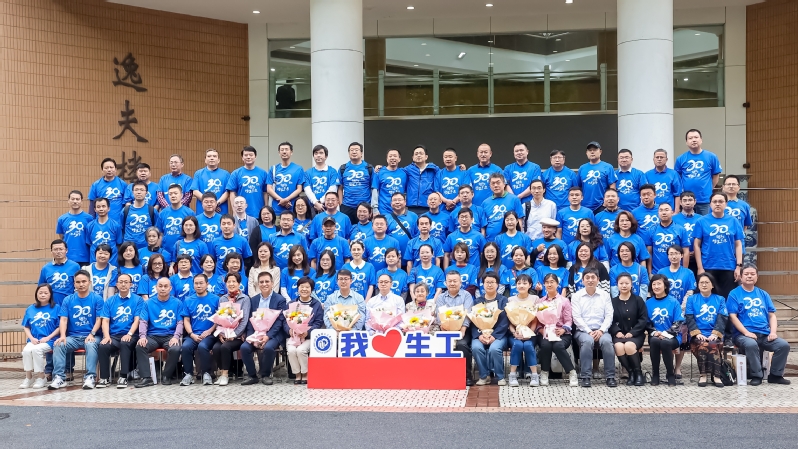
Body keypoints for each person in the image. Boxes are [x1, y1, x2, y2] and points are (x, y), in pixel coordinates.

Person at [727, 264, 791, 385]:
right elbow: (732, 316)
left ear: (757, 276)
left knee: (783, 345)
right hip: (742, 335)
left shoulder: (763, 294)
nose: (749, 276)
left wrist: (773, 332)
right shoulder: (734, 294)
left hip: (764, 334)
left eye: (752, 274)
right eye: (746, 274)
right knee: (751, 344)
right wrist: (746, 332)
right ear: (741, 276)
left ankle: (775, 375)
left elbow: (772, 315)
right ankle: (757, 375)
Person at [48, 270, 103, 390]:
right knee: (59, 344)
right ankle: (59, 377)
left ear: (89, 282)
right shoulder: (68, 300)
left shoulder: (97, 299)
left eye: (84, 281)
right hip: (73, 337)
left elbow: (99, 319)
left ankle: (90, 377)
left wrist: (92, 333)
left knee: (90, 344)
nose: (81, 284)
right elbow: (63, 320)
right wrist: (62, 336)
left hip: (93, 335)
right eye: (78, 282)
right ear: (74, 284)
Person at [133, 277, 184, 388]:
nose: (163, 288)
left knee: (175, 349)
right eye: (160, 286)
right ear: (156, 288)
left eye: (165, 286)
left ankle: (166, 376)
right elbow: (143, 322)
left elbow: (180, 323)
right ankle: (146, 378)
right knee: (140, 346)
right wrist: (142, 336)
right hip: (153, 336)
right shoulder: (148, 303)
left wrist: (176, 337)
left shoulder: (177, 303)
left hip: (170, 336)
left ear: (170, 288)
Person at [571, 267, 616, 387]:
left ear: (598, 279)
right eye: (587, 278)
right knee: (587, 341)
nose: (590, 280)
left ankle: (610, 376)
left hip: (602, 330)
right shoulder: (576, 296)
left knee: (607, 342)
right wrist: (589, 331)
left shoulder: (605, 295)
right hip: (583, 331)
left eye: (593, 277)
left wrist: (601, 330)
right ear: (582, 280)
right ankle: (585, 376)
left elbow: (609, 315)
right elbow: (576, 317)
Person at [240, 271, 287, 385]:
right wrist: (251, 337)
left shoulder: (280, 299)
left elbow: (280, 321)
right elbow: (250, 320)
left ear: (272, 283)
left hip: (273, 334)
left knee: (268, 348)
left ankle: (265, 375)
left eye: (267, 281)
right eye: (261, 282)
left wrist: (268, 336)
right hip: (256, 333)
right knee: (244, 347)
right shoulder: (253, 300)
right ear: (258, 284)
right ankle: (252, 376)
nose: (264, 284)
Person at [693, 192, 744, 298]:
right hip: (708, 266)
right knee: (708, 297)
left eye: (721, 201)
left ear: (726, 204)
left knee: (728, 298)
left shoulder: (733, 221)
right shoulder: (701, 221)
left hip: (728, 266)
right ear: (710, 204)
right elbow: (696, 245)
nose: (717, 204)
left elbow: (738, 245)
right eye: (714, 201)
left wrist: (738, 266)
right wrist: (700, 267)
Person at [97, 273, 142, 389]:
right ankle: (104, 378)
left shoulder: (138, 300)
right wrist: (106, 336)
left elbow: (137, 320)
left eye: (126, 282)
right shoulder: (110, 301)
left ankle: (123, 376)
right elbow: (105, 321)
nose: (123, 284)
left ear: (131, 285)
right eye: (120, 282)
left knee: (125, 342)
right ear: (116, 284)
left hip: (131, 335)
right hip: (114, 336)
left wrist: (129, 334)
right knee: (103, 346)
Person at [534, 274, 578, 387]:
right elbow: (537, 322)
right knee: (546, 345)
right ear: (544, 284)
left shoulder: (564, 301)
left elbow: (568, 320)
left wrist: (563, 329)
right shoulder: (540, 301)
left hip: (562, 333)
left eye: (552, 282)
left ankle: (571, 372)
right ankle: (544, 372)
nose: (549, 284)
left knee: (558, 345)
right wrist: (542, 331)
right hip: (545, 333)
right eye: (547, 282)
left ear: (557, 284)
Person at [685, 272, 728, 387]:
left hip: (715, 334)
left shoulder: (720, 299)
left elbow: (722, 318)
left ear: (712, 285)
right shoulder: (691, 299)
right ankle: (703, 375)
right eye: (701, 283)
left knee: (712, 344)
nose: (704, 285)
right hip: (698, 335)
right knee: (703, 345)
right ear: (698, 285)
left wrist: (715, 334)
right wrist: (697, 333)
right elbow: (689, 317)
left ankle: (716, 376)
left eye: (707, 282)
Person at [210, 272, 251, 386]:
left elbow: (244, 320)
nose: (231, 284)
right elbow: (220, 318)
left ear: (239, 283)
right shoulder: (222, 299)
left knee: (225, 347)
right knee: (216, 348)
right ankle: (225, 372)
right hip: (225, 333)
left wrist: (234, 334)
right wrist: (221, 333)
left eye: (234, 281)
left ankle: (225, 375)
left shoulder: (245, 299)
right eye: (229, 282)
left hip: (238, 335)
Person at [179, 274, 220, 386]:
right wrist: (191, 334)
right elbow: (186, 320)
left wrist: (210, 331)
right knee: (185, 347)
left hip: (210, 334)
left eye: (201, 283)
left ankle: (206, 373)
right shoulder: (188, 300)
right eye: (196, 283)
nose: (198, 285)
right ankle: (188, 374)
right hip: (193, 334)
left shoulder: (216, 299)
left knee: (202, 346)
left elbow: (218, 319)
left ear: (207, 284)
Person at [437, 271, 475, 386]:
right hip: (446, 330)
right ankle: (444, 375)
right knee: (440, 345)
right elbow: (440, 316)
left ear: (460, 282)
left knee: (461, 345)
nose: (452, 283)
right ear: (446, 283)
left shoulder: (466, 295)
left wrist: (462, 330)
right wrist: (444, 329)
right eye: (450, 281)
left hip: (463, 330)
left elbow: (467, 314)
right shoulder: (441, 297)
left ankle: (467, 376)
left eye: (455, 281)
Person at [471, 272, 509, 386]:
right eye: (487, 282)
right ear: (483, 284)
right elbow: (473, 321)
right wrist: (479, 335)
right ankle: (484, 376)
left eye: (492, 282)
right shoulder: (477, 301)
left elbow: (504, 322)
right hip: (480, 334)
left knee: (494, 349)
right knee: (476, 347)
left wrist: (494, 336)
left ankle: (500, 376)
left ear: (497, 284)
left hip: (499, 335)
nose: (490, 285)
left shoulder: (503, 300)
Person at [610, 273, 648, 386]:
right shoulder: (613, 302)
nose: (624, 285)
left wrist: (632, 332)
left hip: (636, 334)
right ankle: (631, 373)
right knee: (618, 346)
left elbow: (643, 319)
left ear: (631, 284)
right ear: (617, 285)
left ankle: (638, 373)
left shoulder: (638, 300)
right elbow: (609, 320)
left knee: (629, 345)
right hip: (619, 335)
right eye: (621, 283)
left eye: (627, 283)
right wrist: (617, 331)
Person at [645, 274, 684, 386]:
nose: (656, 286)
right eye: (654, 284)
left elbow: (678, 322)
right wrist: (655, 332)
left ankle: (670, 374)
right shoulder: (648, 303)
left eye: (659, 284)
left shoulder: (674, 302)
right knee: (654, 341)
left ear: (665, 286)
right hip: (655, 335)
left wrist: (666, 334)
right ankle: (655, 374)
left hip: (673, 336)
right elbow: (646, 322)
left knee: (665, 343)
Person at [20, 284, 60, 389]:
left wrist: (48, 337)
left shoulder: (56, 308)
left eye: (46, 293)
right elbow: (26, 326)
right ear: (36, 294)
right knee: (26, 351)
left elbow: (60, 327)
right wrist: (31, 338)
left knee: (36, 350)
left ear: (50, 294)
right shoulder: (30, 308)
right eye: (40, 293)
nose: (43, 295)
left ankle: (41, 377)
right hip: (34, 340)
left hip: (50, 340)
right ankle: (29, 377)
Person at [286, 277, 324, 385]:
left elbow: (318, 322)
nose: (304, 289)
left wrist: (308, 332)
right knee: (291, 351)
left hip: (308, 337)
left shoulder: (316, 304)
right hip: (293, 336)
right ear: (298, 288)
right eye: (301, 287)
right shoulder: (291, 303)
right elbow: (284, 320)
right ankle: (297, 374)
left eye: (307, 287)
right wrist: (289, 330)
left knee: (301, 350)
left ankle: (305, 374)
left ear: (311, 289)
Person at [675, 129, 722, 215]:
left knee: (705, 221)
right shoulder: (680, 158)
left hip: (705, 200)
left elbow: (716, 175)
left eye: (696, 137)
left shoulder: (711, 156)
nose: (693, 140)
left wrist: (709, 188)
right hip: (686, 200)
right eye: (690, 138)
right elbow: (677, 178)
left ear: (701, 140)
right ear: (686, 142)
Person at [507, 274, 540, 387]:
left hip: (531, 333)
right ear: (515, 285)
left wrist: (529, 334)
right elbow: (509, 321)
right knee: (517, 344)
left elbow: (535, 320)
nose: (521, 285)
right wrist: (514, 333)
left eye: (525, 283)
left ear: (530, 285)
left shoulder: (535, 299)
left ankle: (534, 375)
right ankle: (512, 375)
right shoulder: (511, 299)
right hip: (515, 333)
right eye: (519, 283)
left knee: (528, 345)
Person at [226, 146, 268, 218]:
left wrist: (266, 209)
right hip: (241, 214)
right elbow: (232, 193)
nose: (248, 157)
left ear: (255, 157)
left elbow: (265, 193)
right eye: (246, 155)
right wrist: (234, 211)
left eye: (251, 155)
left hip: (259, 213)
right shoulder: (236, 173)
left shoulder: (263, 173)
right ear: (242, 158)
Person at [156, 184, 196, 260]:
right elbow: (160, 234)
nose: (173, 196)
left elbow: (194, 233)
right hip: (166, 252)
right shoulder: (163, 213)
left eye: (175, 193)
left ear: (181, 195)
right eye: (170, 194)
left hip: (184, 252)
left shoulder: (189, 212)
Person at [647, 203, 690, 273]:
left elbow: (686, 252)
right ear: (658, 213)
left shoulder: (680, 229)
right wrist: (649, 272)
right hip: (656, 272)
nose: (664, 213)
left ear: (672, 212)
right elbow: (649, 253)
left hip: (677, 272)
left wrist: (684, 271)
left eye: (666, 210)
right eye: (661, 210)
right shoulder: (651, 230)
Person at [338, 142, 374, 224]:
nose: (354, 152)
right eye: (352, 150)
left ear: (361, 153)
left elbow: (373, 188)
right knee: (347, 229)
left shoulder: (369, 168)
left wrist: (372, 206)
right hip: (347, 206)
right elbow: (340, 188)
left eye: (356, 150)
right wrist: (341, 205)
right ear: (348, 153)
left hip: (365, 206)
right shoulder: (343, 168)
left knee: (365, 228)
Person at [483, 173, 525, 242]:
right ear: (490, 186)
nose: (495, 185)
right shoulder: (485, 203)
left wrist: (518, 238)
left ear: (504, 184)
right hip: (490, 241)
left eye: (498, 183)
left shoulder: (514, 199)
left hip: (510, 240)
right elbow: (483, 226)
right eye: (493, 183)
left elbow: (519, 220)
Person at [266, 141, 305, 214]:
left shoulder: (298, 169)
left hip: (293, 208)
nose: (284, 152)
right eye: (282, 150)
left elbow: (299, 189)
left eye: (286, 149)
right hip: (276, 209)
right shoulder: (273, 169)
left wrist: (286, 200)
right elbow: (269, 189)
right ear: (279, 153)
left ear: (291, 152)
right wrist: (282, 200)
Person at [39, 239, 82, 305]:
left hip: (70, 304)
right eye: (55, 249)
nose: (58, 252)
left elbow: (79, 286)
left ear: (66, 250)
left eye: (61, 249)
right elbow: (41, 288)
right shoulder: (45, 268)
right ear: (51, 251)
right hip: (51, 305)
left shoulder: (75, 266)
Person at [578, 141, 617, 212]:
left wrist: (607, 203)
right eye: (590, 150)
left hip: (601, 205)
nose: (592, 152)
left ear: (600, 152)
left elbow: (612, 187)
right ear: (586, 153)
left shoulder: (608, 167)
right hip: (584, 206)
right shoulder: (582, 168)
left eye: (595, 150)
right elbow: (578, 187)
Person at [56, 190, 92, 265]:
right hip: (67, 258)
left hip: (85, 258)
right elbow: (62, 236)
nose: (75, 201)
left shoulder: (89, 218)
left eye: (77, 199)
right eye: (72, 199)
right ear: (68, 201)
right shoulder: (62, 219)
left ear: (81, 201)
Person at [191, 148, 230, 214]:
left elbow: (228, 192)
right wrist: (209, 203)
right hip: (202, 212)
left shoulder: (226, 174)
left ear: (218, 160)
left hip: (221, 211)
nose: (212, 158)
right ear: (205, 160)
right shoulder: (198, 173)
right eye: (209, 156)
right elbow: (195, 191)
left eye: (214, 156)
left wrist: (216, 203)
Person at [303, 144, 341, 213]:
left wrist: (320, 201)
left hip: (328, 206)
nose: (318, 155)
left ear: (326, 156)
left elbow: (333, 189)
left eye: (321, 153)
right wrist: (316, 203)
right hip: (312, 207)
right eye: (316, 153)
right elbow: (307, 190)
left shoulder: (332, 171)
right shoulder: (308, 173)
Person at [89, 157, 127, 223]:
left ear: (115, 169)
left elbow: (125, 205)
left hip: (118, 222)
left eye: (111, 167)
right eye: (106, 168)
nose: (109, 170)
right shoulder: (96, 185)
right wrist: (92, 221)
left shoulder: (123, 184)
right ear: (102, 170)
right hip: (100, 223)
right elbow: (92, 205)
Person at [672, 191, 702, 275]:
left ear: (695, 201)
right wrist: (684, 253)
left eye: (690, 200)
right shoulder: (673, 219)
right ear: (680, 202)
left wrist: (697, 251)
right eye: (685, 200)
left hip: (698, 257)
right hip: (679, 258)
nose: (687, 202)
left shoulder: (701, 219)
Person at [122, 181, 156, 249]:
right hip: (129, 249)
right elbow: (121, 228)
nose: (139, 192)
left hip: (146, 247)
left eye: (142, 190)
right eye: (136, 190)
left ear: (146, 193)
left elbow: (156, 229)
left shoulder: (152, 210)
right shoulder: (125, 210)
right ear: (132, 192)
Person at [87, 197, 123, 263]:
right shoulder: (89, 226)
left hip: (112, 262)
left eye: (103, 206)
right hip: (94, 262)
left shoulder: (116, 225)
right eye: (98, 207)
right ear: (95, 209)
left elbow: (118, 244)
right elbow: (89, 243)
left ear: (108, 208)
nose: (101, 209)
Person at [372, 149, 407, 215]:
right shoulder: (379, 172)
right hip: (383, 210)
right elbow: (375, 191)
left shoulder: (404, 173)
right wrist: (375, 209)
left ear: (399, 159)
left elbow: (406, 192)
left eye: (395, 156)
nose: (392, 158)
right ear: (387, 159)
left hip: (400, 210)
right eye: (390, 156)